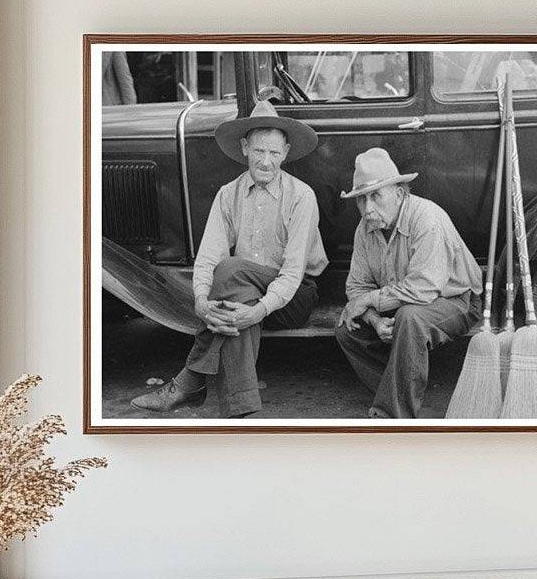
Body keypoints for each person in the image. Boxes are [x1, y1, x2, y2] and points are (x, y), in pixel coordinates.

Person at [131, 102, 326, 417]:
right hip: (244, 293)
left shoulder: (301, 196)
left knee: (231, 271)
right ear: (245, 147)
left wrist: (258, 310)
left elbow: (291, 274)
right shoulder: (227, 193)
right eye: (259, 151)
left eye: (274, 153)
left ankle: (190, 381)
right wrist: (200, 300)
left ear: (286, 153)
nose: (266, 161)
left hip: (293, 298)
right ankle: (240, 410)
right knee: (234, 292)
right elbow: (208, 255)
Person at [335, 148, 482, 419]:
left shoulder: (426, 218)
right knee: (347, 327)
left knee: (410, 317)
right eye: (361, 199)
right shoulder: (365, 228)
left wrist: (368, 301)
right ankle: (401, 387)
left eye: (376, 196)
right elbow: (356, 287)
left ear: (399, 194)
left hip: (455, 299)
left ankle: (393, 414)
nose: (368, 209)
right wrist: (375, 320)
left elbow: (424, 287)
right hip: (403, 300)